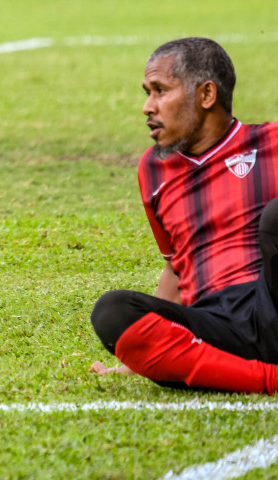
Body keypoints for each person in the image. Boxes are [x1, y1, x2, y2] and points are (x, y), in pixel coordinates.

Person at [90, 38, 278, 394]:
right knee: (112, 310)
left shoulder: (271, 142)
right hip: (211, 326)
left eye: (160, 91)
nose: (148, 106)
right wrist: (139, 356)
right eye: (147, 92)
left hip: (271, 304)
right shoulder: (153, 168)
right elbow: (176, 267)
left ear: (206, 95)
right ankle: (266, 379)